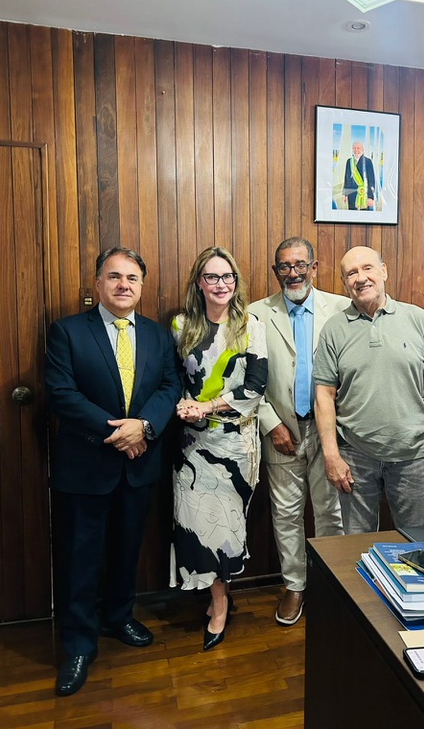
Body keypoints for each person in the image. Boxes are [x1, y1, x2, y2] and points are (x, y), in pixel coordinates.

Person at [45, 247, 181, 697]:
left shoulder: (159, 336)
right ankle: (79, 644)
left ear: (142, 286)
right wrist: (119, 432)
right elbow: (61, 394)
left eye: (133, 278)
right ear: (97, 284)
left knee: (127, 548)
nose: (124, 285)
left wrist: (143, 427)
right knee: (80, 558)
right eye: (114, 276)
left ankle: (118, 617)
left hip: (140, 462)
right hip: (86, 464)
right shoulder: (67, 331)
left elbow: (169, 387)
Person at [314, 246, 424, 534]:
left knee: (417, 545)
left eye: (368, 268)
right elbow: (324, 396)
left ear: (384, 271)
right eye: (351, 273)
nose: (361, 278)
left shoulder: (417, 319)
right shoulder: (333, 329)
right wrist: (331, 455)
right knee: (356, 548)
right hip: (355, 458)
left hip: (413, 457)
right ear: (344, 284)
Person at [171, 246, 268, 651]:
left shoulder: (250, 325)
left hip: (235, 444)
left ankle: (221, 602)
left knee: (226, 526)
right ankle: (215, 598)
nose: (221, 284)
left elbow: (255, 387)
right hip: (192, 444)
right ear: (199, 283)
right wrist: (181, 404)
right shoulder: (180, 326)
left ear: (236, 282)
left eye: (227, 277)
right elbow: (170, 378)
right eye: (212, 277)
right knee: (194, 521)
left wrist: (206, 405)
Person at [248, 237, 347, 626]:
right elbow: (244, 379)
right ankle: (295, 586)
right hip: (281, 432)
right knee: (286, 514)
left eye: (300, 265)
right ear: (275, 271)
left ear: (314, 266)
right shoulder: (255, 314)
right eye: (285, 267)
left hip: (330, 433)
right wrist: (271, 424)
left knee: (330, 512)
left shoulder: (340, 309)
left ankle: (332, 582)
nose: (293, 273)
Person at [342, 141, 376, 210]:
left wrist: (370, 197)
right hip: (351, 194)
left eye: (358, 148)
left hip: (364, 194)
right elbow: (346, 179)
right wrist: (344, 194)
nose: (356, 150)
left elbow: (371, 180)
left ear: (363, 150)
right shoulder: (349, 161)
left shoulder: (368, 161)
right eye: (354, 148)